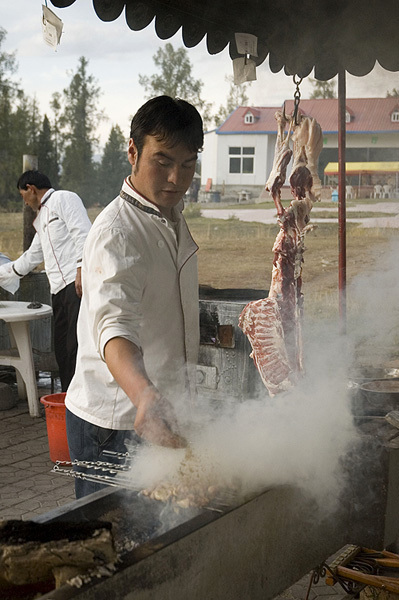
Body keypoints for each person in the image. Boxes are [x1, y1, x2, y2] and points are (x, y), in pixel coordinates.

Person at [65, 95, 204, 498]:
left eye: (188, 164)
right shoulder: (116, 232)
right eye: (162, 161)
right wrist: (144, 394)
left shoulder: (169, 219)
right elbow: (114, 327)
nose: (176, 179)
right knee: (115, 552)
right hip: (116, 424)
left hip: (159, 414)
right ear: (132, 151)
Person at [2, 171, 92, 391]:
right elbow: (32, 257)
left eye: (23, 195)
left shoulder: (64, 199)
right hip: (58, 290)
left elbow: (83, 233)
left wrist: (81, 268)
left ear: (31, 189)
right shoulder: (41, 219)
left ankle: (80, 399)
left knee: (75, 346)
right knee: (61, 348)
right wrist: (3, 273)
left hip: (75, 284)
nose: (24, 201)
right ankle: (67, 398)